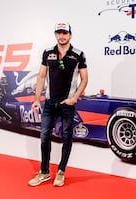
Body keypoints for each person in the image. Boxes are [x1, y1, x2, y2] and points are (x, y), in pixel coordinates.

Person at [28, 22, 88, 187]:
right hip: (49, 103)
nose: (62, 36)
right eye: (59, 33)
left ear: (70, 35)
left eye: (65, 33)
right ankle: (45, 172)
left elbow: (84, 79)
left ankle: (61, 171)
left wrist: (74, 98)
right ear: (55, 34)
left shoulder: (78, 54)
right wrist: (36, 99)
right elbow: (41, 77)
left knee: (67, 137)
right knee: (44, 137)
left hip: (67, 104)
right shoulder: (48, 53)